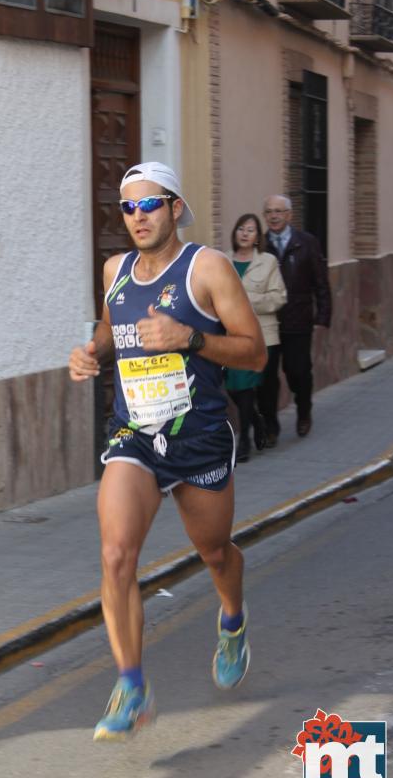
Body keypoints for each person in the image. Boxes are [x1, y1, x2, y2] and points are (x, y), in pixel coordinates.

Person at [68, 161, 267, 741]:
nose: (137, 217)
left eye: (149, 204)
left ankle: (232, 619)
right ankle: (132, 686)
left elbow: (254, 354)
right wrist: (92, 353)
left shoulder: (208, 269)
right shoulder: (115, 270)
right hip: (135, 435)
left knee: (213, 554)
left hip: (198, 436)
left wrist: (191, 339)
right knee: (115, 555)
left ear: (175, 208)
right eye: (127, 208)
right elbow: (111, 329)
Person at [258, 195, 332, 444]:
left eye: (279, 211)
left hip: (298, 320)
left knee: (297, 372)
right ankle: (270, 426)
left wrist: (323, 316)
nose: (274, 216)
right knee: (266, 377)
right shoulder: (260, 245)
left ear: (289, 215)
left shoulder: (307, 243)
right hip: (267, 323)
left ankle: (304, 410)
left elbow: (321, 283)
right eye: (269, 212)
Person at [226, 213, 286, 461]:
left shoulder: (268, 262)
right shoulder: (223, 261)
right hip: (229, 336)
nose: (244, 233)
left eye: (250, 230)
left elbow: (279, 297)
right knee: (232, 387)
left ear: (257, 237)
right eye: (241, 228)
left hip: (259, 335)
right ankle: (258, 422)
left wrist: (248, 301)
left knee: (246, 385)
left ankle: (245, 441)